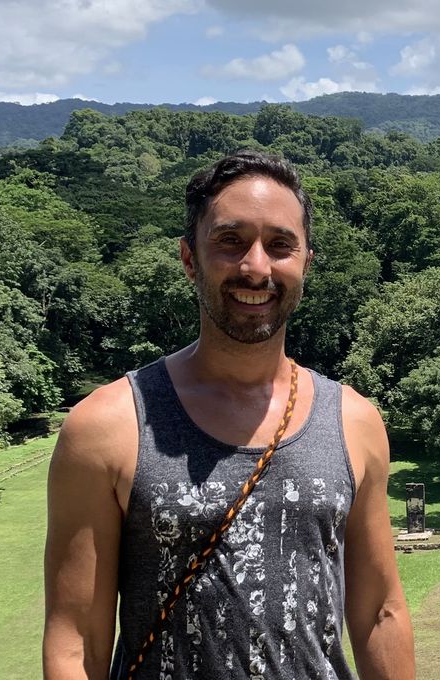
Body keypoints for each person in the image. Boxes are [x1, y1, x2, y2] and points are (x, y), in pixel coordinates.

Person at [43, 150, 415, 680]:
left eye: (280, 245)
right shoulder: (106, 426)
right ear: (189, 258)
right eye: (230, 241)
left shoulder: (354, 422)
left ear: (306, 263)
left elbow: (380, 611)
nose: (256, 267)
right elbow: (77, 640)